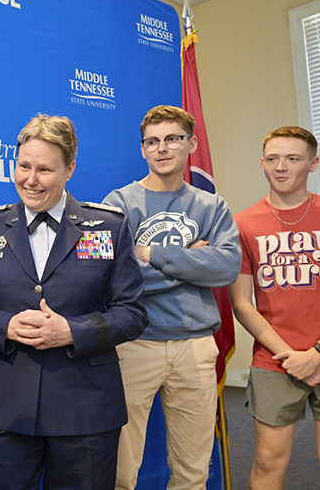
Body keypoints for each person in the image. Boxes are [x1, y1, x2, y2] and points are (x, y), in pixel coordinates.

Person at [0, 114, 148, 490]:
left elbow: (133, 314)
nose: (31, 180)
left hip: (85, 411)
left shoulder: (109, 227)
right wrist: (4, 325)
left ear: (70, 169)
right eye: (23, 166)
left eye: (44, 170)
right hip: (4, 410)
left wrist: (72, 331)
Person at [103, 105, 241, 490]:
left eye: (172, 139)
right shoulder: (117, 203)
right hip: (134, 343)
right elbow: (111, 276)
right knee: (119, 470)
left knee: (193, 470)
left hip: (195, 345)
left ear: (191, 143)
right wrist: (192, 260)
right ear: (143, 149)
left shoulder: (212, 206)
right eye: (152, 141)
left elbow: (226, 268)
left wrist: (151, 255)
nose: (162, 148)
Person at [229, 126, 320, 490]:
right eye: (273, 158)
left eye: (293, 158)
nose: (281, 167)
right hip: (274, 360)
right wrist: (290, 355)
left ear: (313, 164)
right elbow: (241, 303)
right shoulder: (243, 224)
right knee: (267, 462)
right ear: (262, 164)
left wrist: (315, 354)